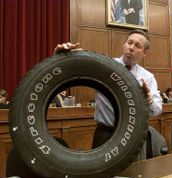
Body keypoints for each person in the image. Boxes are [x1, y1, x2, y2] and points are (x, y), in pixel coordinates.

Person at [54, 29, 166, 159]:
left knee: (138, 175)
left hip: (133, 136)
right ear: (124, 44)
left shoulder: (148, 77)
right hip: (105, 134)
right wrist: (61, 58)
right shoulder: (103, 66)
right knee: (101, 176)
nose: (131, 48)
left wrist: (148, 100)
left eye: (137, 46)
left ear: (144, 53)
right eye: (129, 43)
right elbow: (70, 70)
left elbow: (157, 110)